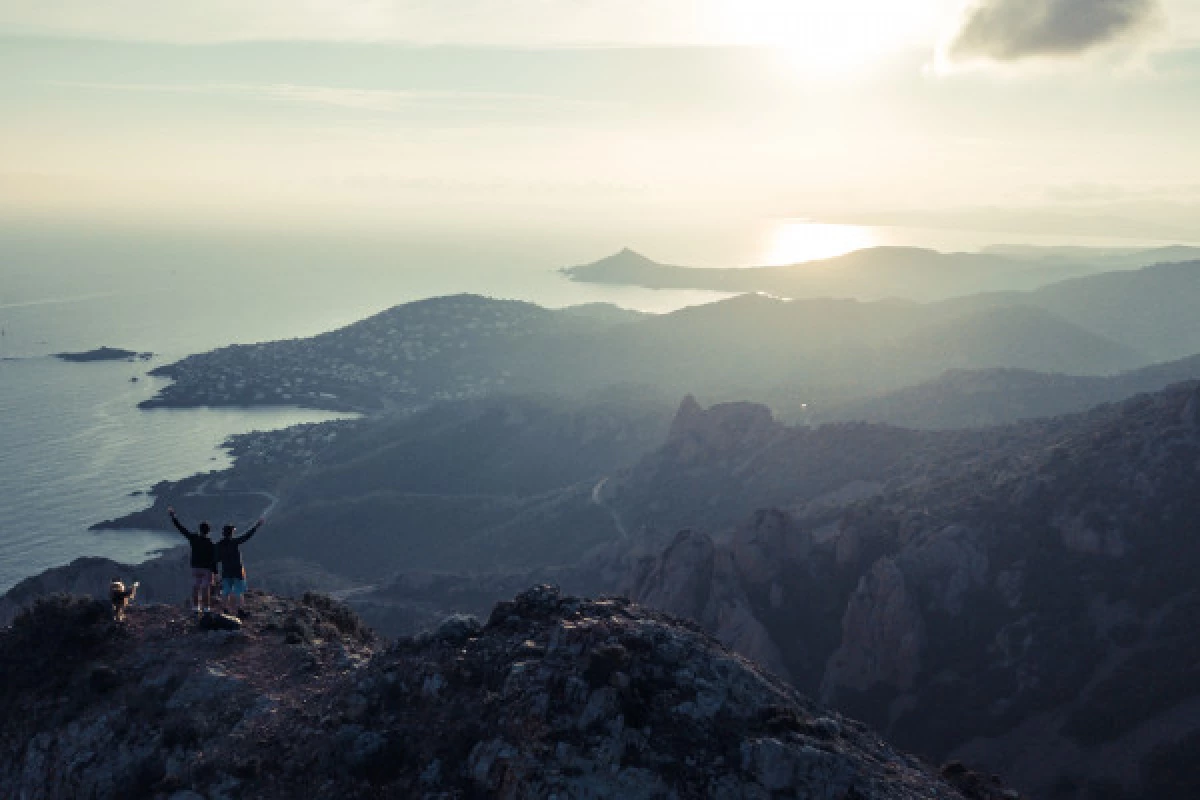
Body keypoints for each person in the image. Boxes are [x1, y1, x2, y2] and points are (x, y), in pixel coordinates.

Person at [168, 506, 218, 613]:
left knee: (196, 587)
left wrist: (173, 517)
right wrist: (215, 572)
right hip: (206, 569)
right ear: (208, 531)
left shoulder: (194, 538)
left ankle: (196, 607)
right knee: (205, 588)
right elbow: (213, 558)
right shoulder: (210, 543)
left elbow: (182, 529)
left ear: (200, 530)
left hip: (195, 567)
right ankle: (206, 608)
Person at [216, 517, 265, 616]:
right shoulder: (234, 542)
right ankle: (240, 610)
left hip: (226, 571)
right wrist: (256, 526)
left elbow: (216, 558)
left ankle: (224, 609)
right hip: (237, 570)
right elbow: (246, 536)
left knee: (226, 591)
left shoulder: (219, 544)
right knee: (238, 591)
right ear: (231, 532)